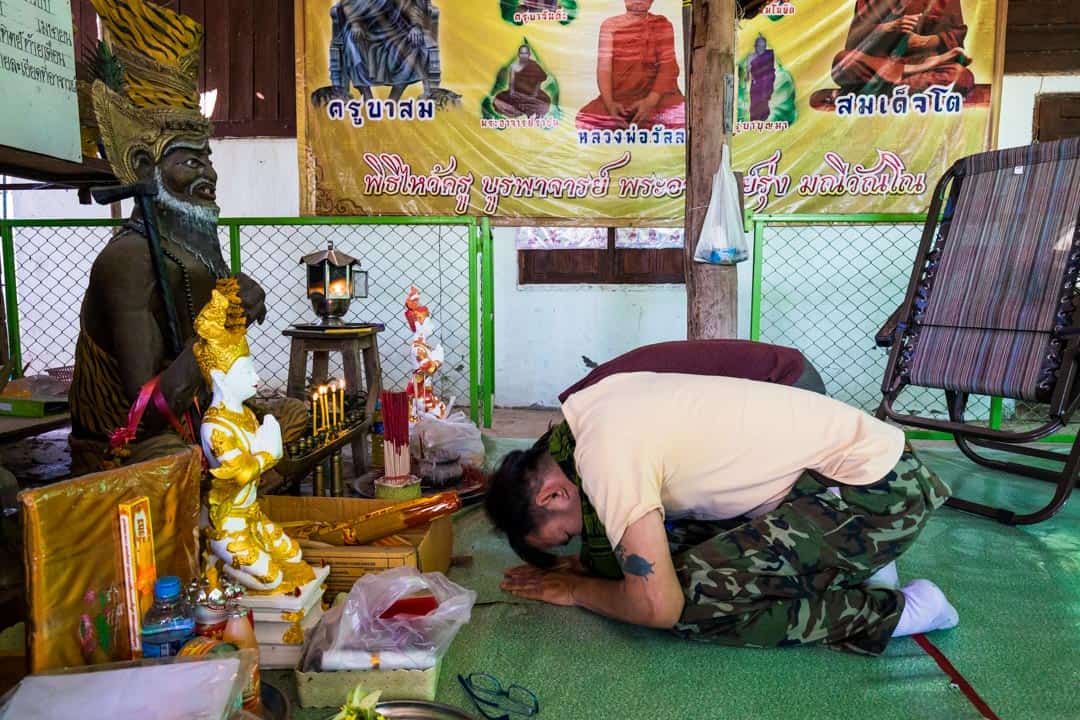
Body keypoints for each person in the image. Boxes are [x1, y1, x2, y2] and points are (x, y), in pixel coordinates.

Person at [487, 363, 958, 655]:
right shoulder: (589, 411)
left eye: (565, 535)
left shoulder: (602, 455)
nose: (577, 541)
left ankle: (899, 611)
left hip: (874, 497)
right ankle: (855, 561)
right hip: (852, 476)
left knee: (690, 601)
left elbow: (659, 607)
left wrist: (575, 590)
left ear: (552, 495)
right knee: (663, 557)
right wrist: (595, 566)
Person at [71, 0, 306, 475]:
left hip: (196, 423)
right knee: (183, 464)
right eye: (191, 161)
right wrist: (220, 326)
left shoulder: (188, 251)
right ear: (143, 167)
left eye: (209, 159)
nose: (210, 175)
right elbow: (149, 413)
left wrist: (231, 311)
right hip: (134, 444)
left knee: (295, 419)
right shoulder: (130, 260)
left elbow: (207, 383)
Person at [576, 0, 685, 131]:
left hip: (657, 96)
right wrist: (610, 104)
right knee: (585, 121)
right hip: (619, 98)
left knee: (680, 116)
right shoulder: (610, 26)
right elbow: (604, 68)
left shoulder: (662, 25)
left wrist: (650, 102)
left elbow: (667, 67)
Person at [831, 0, 974, 96]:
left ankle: (876, 88)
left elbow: (956, 35)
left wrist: (925, 41)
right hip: (881, 63)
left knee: (960, 77)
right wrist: (888, 28)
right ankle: (901, 83)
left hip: (924, 63)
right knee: (842, 62)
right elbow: (853, 41)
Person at [311, 0, 441, 105]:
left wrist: (416, 26)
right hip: (365, 27)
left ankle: (393, 99)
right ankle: (368, 98)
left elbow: (416, 4)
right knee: (351, 40)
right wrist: (355, 23)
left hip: (399, 28)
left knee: (415, 43)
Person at [493, 45, 552, 119]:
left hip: (532, 94)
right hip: (517, 94)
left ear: (529, 55)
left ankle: (523, 111)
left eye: (526, 53)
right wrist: (512, 94)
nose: (524, 55)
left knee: (545, 103)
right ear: (519, 55)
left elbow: (539, 80)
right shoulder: (514, 66)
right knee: (498, 100)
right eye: (522, 53)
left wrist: (534, 94)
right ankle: (524, 110)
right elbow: (511, 83)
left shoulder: (534, 65)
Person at [747, 35, 776, 121]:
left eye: (763, 46)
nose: (760, 48)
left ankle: (764, 119)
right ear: (755, 46)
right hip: (756, 86)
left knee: (764, 104)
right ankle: (754, 121)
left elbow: (771, 70)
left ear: (765, 46)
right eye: (758, 46)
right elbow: (747, 72)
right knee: (755, 105)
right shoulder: (751, 56)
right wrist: (747, 77)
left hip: (766, 84)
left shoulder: (769, 55)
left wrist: (769, 84)